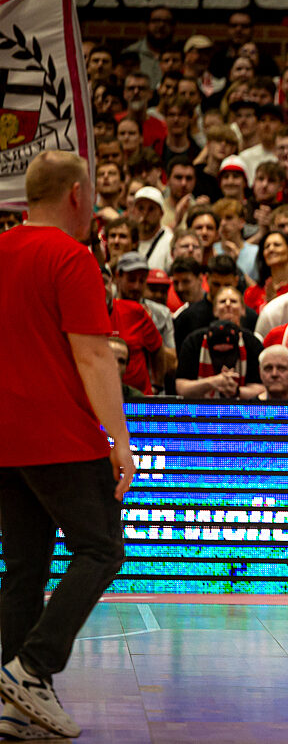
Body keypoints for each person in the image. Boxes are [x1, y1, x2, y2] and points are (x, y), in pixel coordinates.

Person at [0, 150, 133, 740]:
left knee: (25, 567)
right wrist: (120, 438)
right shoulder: (71, 256)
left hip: (4, 439)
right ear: (77, 194)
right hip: (58, 434)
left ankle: (17, 708)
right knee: (101, 549)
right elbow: (93, 354)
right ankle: (32, 667)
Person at [176, 288, 265, 399]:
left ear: (243, 309)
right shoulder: (194, 340)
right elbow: (181, 388)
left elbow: (263, 390)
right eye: (222, 301)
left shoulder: (253, 342)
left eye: (233, 301)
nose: (228, 304)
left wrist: (236, 391)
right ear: (214, 310)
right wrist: (212, 382)